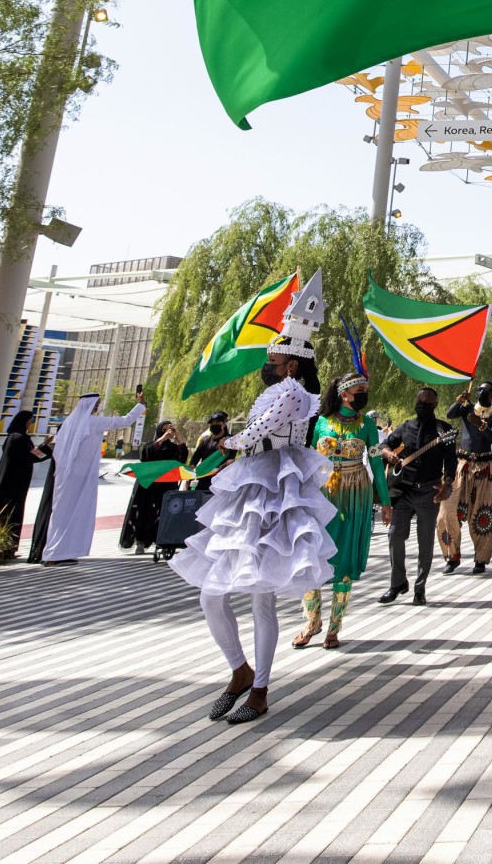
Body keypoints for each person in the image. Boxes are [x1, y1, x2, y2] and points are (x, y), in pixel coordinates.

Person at [174, 284, 337, 725]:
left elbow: (259, 429)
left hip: (275, 490)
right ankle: (239, 669)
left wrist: (231, 440)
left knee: (261, 597)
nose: (268, 365)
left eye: (274, 358)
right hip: (249, 489)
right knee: (213, 593)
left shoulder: (292, 392)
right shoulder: (277, 388)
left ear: (292, 362)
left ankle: (260, 687)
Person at [293, 374, 387, 649]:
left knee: (343, 558)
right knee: (312, 555)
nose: (364, 394)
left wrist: (386, 501)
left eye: (366, 390)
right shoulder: (319, 422)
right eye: (360, 390)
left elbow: (377, 464)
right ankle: (312, 622)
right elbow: (303, 459)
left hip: (355, 497)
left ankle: (334, 627)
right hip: (320, 495)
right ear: (344, 393)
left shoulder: (368, 424)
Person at [378, 387, 458, 606]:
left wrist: (448, 484)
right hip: (403, 491)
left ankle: (419, 588)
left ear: (434, 406)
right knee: (394, 534)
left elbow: (451, 462)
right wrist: (387, 453)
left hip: (429, 491)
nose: (422, 406)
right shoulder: (405, 427)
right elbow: (384, 445)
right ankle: (397, 584)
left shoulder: (444, 430)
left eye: (427, 403)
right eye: (419, 402)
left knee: (425, 541)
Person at [40, 395, 140, 563]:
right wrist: (139, 405)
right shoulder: (93, 422)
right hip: (81, 476)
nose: (97, 407)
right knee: (75, 512)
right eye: (96, 404)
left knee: (62, 514)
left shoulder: (69, 423)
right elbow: (124, 421)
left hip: (66, 476)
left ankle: (60, 552)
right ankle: (57, 553)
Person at [443, 381, 492, 570]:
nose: (481, 391)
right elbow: (450, 414)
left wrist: (481, 426)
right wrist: (459, 401)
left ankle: (480, 559)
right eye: (479, 388)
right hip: (462, 464)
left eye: (486, 390)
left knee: (483, 513)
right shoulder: (467, 407)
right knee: (449, 512)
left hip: (484, 466)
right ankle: (452, 557)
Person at [0, 409, 48, 553]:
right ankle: (7, 548)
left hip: (10, 479)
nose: (31, 423)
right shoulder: (20, 439)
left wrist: (43, 447)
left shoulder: (13, 437)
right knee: (12, 511)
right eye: (30, 420)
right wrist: (46, 449)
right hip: (15, 482)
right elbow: (30, 457)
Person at [120, 420, 186, 554]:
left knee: (162, 512)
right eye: (164, 430)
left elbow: (182, 460)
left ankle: (160, 540)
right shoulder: (152, 445)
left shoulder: (173, 448)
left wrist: (179, 440)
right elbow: (145, 456)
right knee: (144, 511)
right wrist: (162, 439)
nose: (167, 433)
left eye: (170, 430)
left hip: (165, 485)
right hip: (148, 485)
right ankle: (140, 541)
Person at [189, 412, 232, 491]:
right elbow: (195, 458)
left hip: (220, 479)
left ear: (224, 424)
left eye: (218, 422)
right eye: (212, 423)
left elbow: (232, 458)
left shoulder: (230, 441)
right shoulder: (205, 441)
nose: (214, 425)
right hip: (203, 477)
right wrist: (190, 469)